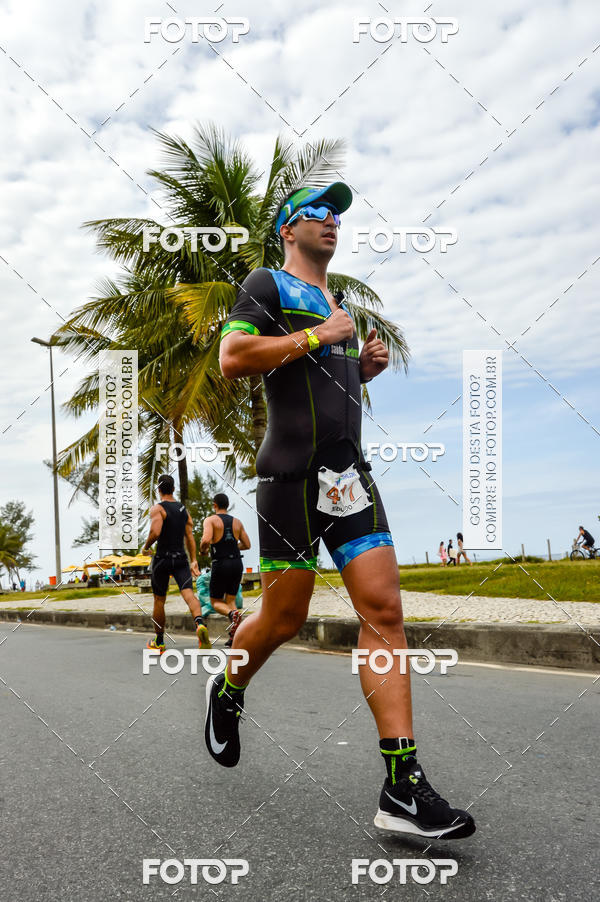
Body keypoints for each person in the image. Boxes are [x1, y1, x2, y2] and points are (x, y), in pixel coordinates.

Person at [204, 182, 475, 840]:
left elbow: (325, 385)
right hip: (288, 477)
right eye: (317, 213)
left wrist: (363, 369)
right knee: (284, 617)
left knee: (384, 612)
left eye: (337, 214)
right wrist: (320, 337)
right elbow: (234, 358)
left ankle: (402, 787)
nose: (332, 222)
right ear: (287, 230)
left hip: (349, 475)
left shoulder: (340, 303)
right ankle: (229, 690)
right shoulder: (266, 286)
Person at [142, 474, 211, 653]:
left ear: (159, 490)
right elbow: (189, 537)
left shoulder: (158, 509)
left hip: (162, 559)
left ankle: (159, 641)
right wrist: (194, 560)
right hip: (181, 558)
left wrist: (146, 546)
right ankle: (200, 624)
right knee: (189, 594)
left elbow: (155, 532)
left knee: (159, 600)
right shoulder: (183, 510)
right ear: (173, 489)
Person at [199, 493, 251, 647]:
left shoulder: (210, 520)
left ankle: (231, 614)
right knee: (230, 600)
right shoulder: (237, 522)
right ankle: (235, 637)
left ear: (215, 504)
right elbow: (247, 544)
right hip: (236, 563)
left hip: (221, 563)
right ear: (227, 505)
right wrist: (233, 547)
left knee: (215, 601)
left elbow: (206, 540)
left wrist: (203, 551)